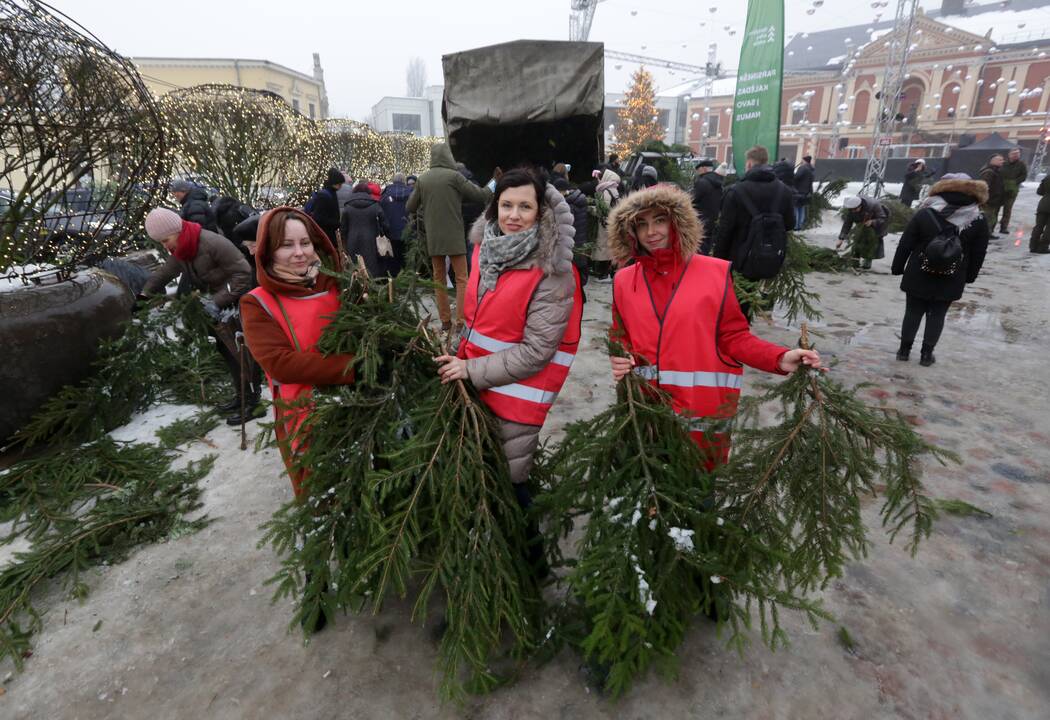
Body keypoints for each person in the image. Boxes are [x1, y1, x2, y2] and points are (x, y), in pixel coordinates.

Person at [605, 184, 821, 469]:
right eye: (641, 224)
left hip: (701, 417)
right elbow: (621, 337)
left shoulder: (714, 273)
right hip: (645, 414)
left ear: (677, 222)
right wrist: (620, 357)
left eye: (660, 220)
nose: (651, 232)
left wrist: (779, 357)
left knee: (699, 494)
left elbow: (734, 336)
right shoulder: (624, 280)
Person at [434, 169, 582, 573]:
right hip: (478, 380)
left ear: (541, 212)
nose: (514, 214)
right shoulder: (487, 247)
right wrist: (458, 352)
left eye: (525, 206)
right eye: (506, 205)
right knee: (487, 473)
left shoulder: (554, 271)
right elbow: (478, 317)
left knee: (513, 480)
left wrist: (469, 368)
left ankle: (534, 566)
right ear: (494, 207)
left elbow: (537, 351)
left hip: (518, 392)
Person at [240, 207, 356, 500]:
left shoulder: (336, 285)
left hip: (355, 406)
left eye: (305, 243)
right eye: (286, 245)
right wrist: (355, 367)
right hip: (304, 412)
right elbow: (281, 363)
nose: (299, 253)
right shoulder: (258, 303)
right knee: (321, 491)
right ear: (268, 250)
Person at [140, 207, 259, 424]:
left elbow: (244, 273)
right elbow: (165, 272)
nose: (165, 246)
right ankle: (241, 396)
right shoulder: (184, 248)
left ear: (177, 230)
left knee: (242, 354)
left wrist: (217, 301)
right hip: (218, 308)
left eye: (166, 240)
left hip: (237, 303)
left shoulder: (211, 243)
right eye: (161, 242)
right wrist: (144, 295)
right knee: (227, 352)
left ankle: (252, 403)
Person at [891, 174, 989, 366]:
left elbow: (906, 243)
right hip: (953, 275)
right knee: (937, 314)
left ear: (941, 189)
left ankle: (904, 351)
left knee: (912, 311)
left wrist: (897, 267)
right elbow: (979, 252)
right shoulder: (977, 218)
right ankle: (926, 355)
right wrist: (970, 276)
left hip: (918, 271)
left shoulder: (925, 212)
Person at [406, 143, 492, 333]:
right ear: (448, 157)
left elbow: (410, 207)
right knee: (462, 278)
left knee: (439, 279)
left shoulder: (423, 179)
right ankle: (461, 321)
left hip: (433, 238)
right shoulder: (455, 177)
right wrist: (494, 181)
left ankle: (445, 321)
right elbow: (481, 195)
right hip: (454, 236)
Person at [713, 145, 794, 270]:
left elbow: (725, 231)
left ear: (749, 164)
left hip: (740, 262)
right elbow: (790, 224)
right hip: (772, 260)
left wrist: (718, 263)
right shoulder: (785, 190)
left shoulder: (735, 192)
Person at [341, 180, 392, 277]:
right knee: (372, 266)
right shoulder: (375, 205)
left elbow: (343, 228)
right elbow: (385, 224)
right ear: (368, 192)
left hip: (352, 240)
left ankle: (357, 287)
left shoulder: (347, 207)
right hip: (372, 240)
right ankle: (373, 288)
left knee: (355, 267)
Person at [554, 177, 590, 288]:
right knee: (579, 264)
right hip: (580, 237)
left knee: (575, 267)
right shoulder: (577, 199)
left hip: (573, 240)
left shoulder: (569, 204)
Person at [837, 195, 890, 269]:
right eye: (851, 210)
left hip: (876, 227)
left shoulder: (874, 205)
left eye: (855, 209)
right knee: (857, 241)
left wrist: (872, 221)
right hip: (862, 226)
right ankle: (855, 261)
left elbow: (883, 218)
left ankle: (867, 261)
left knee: (871, 244)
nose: (853, 211)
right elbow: (847, 224)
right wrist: (841, 238)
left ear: (860, 205)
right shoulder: (851, 209)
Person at [591, 167, 621, 283]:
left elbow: (603, 209)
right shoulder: (613, 189)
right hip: (610, 223)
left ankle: (604, 275)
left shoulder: (606, 191)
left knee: (603, 249)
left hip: (604, 225)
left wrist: (593, 210)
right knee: (608, 248)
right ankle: (608, 273)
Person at [380, 173, 412, 273]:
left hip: (390, 231)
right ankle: (406, 276)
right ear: (404, 181)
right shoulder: (411, 193)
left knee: (393, 257)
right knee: (406, 256)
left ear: (393, 181)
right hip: (407, 230)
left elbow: (381, 211)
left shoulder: (385, 193)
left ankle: (393, 278)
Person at [691, 159, 723, 254]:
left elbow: (692, 200)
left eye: (698, 169)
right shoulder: (719, 183)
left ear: (704, 169)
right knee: (707, 247)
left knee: (698, 249)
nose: (697, 172)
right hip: (712, 221)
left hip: (699, 221)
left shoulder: (702, 182)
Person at [306, 167, 344, 246]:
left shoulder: (329, 193)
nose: (341, 186)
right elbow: (319, 218)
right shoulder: (325, 196)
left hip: (327, 232)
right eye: (340, 184)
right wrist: (336, 223)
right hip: (325, 234)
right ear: (335, 183)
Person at [999, 148, 1027, 234]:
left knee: (1007, 209)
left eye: (1018, 154)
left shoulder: (1021, 164)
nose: (1016, 155)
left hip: (1012, 190)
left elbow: (1024, 176)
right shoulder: (1003, 163)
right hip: (1000, 189)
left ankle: (1003, 227)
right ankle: (990, 228)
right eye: (1014, 153)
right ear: (1009, 155)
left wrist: (1014, 182)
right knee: (995, 208)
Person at [978, 155, 1005, 235]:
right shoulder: (989, 172)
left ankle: (988, 233)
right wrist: (985, 199)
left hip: (994, 200)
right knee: (987, 218)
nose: (1002, 161)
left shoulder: (996, 171)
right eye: (1000, 160)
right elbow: (985, 186)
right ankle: (985, 234)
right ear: (993, 161)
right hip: (989, 200)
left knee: (991, 218)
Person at [793, 155, 815, 229]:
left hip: (799, 191)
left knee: (796, 208)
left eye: (802, 160)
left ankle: (796, 226)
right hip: (806, 192)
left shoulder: (803, 168)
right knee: (801, 209)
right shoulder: (811, 169)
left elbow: (796, 177)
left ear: (805, 161)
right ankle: (800, 225)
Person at [1030, 172, 1050, 254]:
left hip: (1043, 204)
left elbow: (1039, 191)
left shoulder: (1047, 178)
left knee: (1038, 226)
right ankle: (1043, 247)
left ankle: (1033, 246)